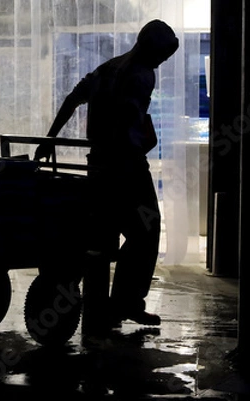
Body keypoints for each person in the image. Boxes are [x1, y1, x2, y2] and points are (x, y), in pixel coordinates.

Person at [34, 20, 179, 328]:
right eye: (163, 55)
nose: (162, 62)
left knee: (110, 233)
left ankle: (115, 304)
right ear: (150, 47)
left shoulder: (107, 68)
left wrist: (50, 139)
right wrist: (142, 141)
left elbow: (73, 98)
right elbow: (128, 123)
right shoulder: (141, 75)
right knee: (147, 228)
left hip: (98, 164)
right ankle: (126, 302)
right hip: (126, 165)